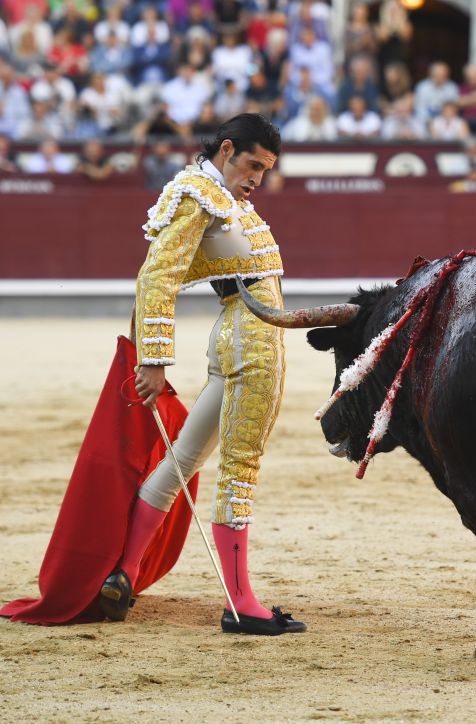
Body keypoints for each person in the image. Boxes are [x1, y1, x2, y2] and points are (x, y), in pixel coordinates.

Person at [100, 113, 308, 636]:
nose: (259, 177)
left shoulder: (219, 197)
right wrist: (153, 358)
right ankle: (241, 603)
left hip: (234, 336)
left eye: (266, 169)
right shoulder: (202, 195)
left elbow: (167, 273)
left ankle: (124, 571)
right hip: (252, 341)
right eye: (253, 164)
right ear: (227, 150)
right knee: (241, 464)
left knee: (184, 457)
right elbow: (158, 275)